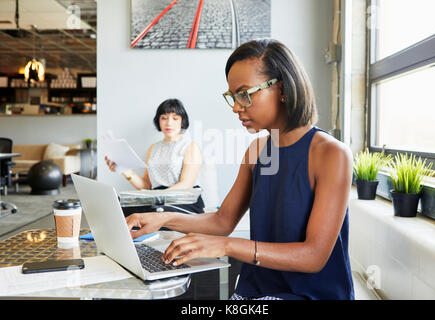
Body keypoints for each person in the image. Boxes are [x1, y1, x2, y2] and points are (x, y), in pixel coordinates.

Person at [125, 39, 355, 300]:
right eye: (233, 97)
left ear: (281, 88)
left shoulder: (331, 154)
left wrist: (226, 246)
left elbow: (313, 256)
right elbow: (222, 221)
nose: (236, 107)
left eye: (244, 94)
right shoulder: (257, 151)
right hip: (254, 291)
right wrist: (163, 219)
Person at [105, 98, 205, 214]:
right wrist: (123, 170)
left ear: (182, 121)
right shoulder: (153, 148)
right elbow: (147, 185)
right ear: (158, 121)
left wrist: (155, 198)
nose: (169, 123)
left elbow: (186, 184)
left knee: (153, 212)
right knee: (118, 205)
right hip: (157, 200)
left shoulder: (190, 146)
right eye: (164, 118)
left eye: (175, 118)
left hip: (182, 201)